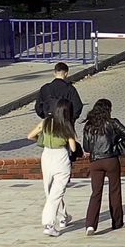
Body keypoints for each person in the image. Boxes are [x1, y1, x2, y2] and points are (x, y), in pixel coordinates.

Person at [81, 99, 125, 236]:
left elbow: (86, 147)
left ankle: (90, 225)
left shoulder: (88, 126)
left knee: (96, 193)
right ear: (108, 110)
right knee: (114, 191)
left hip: (95, 162)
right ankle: (117, 222)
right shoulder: (112, 123)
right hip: (111, 160)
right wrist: (116, 139)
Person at [28, 98, 78, 236]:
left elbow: (30, 136)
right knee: (57, 192)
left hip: (46, 156)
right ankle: (49, 224)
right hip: (61, 157)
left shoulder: (45, 122)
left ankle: (63, 217)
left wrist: (43, 141)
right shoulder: (66, 125)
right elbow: (73, 148)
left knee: (49, 190)